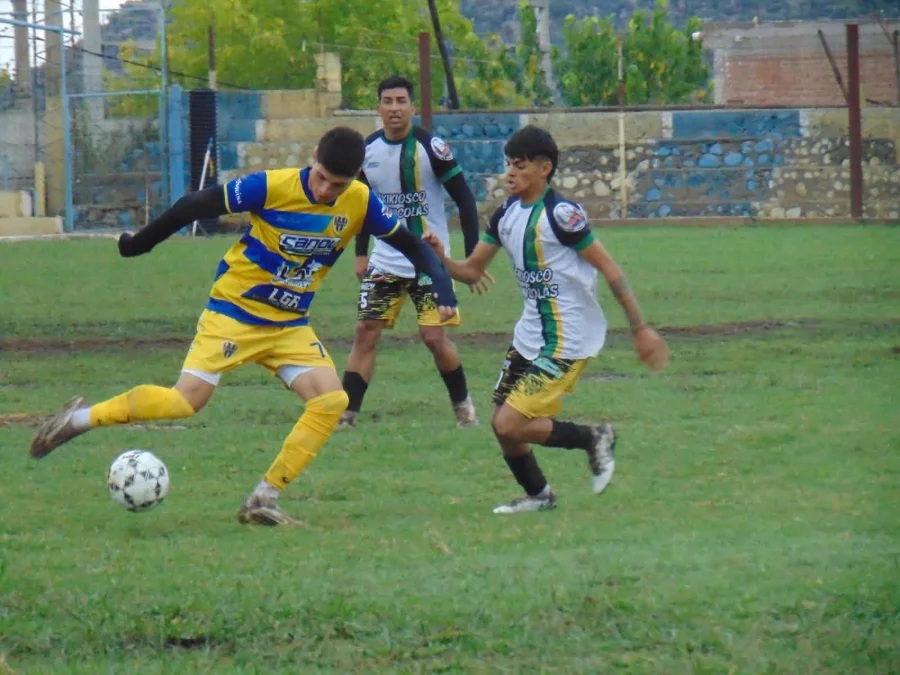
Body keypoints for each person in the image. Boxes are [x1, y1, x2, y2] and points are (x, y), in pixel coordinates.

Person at [28, 126, 458, 526]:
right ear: (313, 159)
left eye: (338, 185)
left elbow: (412, 247)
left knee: (330, 401)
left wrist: (442, 288)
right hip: (234, 312)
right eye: (323, 178)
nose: (327, 191)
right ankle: (77, 421)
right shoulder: (272, 186)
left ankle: (264, 499)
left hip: (289, 324)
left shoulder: (360, 200)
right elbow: (195, 205)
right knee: (185, 402)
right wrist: (138, 244)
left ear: (355, 179)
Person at [422, 125, 670, 514]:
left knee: (510, 423)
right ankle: (539, 495)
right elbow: (471, 272)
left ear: (544, 168)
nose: (509, 173)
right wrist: (441, 255)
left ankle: (594, 437)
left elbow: (610, 269)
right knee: (502, 422)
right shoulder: (505, 214)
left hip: (568, 339)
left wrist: (640, 328)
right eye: (507, 165)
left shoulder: (562, 215)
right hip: (530, 336)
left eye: (518, 166)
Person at [338, 75, 490, 430]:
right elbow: (362, 205)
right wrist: (361, 253)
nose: (394, 109)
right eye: (387, 102)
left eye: (400, 101)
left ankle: (464, 408)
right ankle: (347, 414)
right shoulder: (366, 151)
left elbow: (465, 199)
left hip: (429, 261)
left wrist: (470, 258)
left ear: (412, 107)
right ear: (378, 108)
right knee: (365, 330)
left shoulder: (431, 147)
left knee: (434, 338)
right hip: (386, 260)